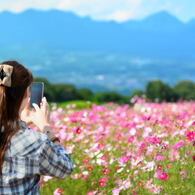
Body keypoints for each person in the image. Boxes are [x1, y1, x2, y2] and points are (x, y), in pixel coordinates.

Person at [0, 60, 74, 195]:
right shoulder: (35, 142)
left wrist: (21, 124)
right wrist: (46, 128)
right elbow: (65, 169)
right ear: (26, 94)